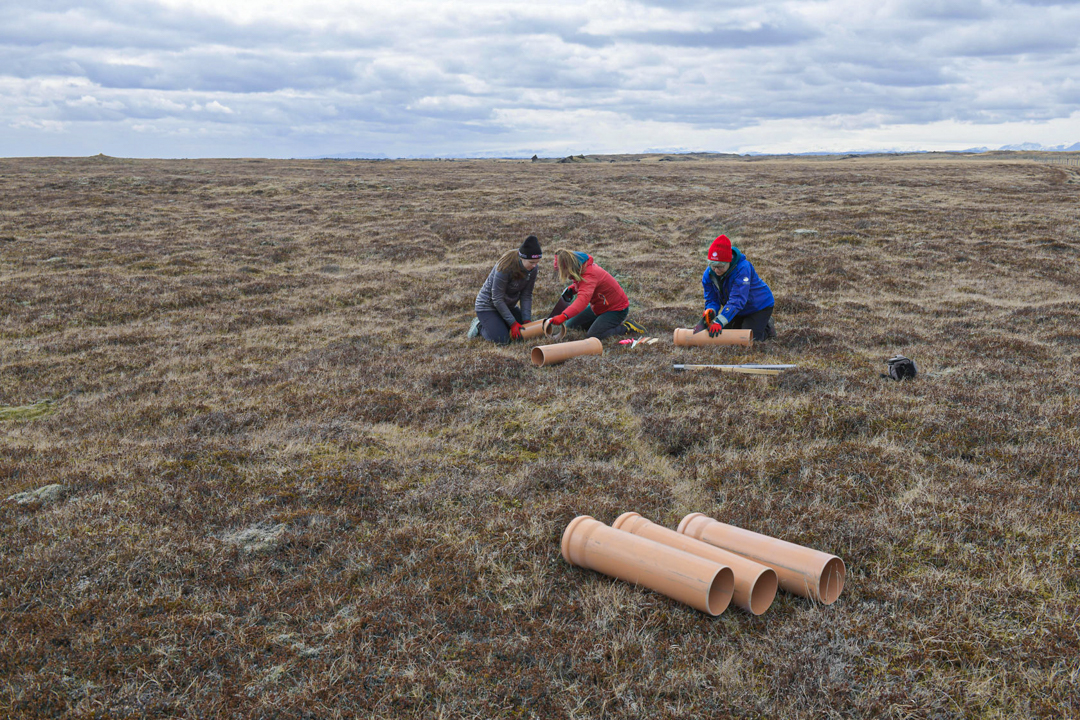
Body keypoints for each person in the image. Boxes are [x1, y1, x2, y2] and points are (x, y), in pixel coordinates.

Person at [546, 249, 645, 339]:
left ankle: (627, 327)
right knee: (571, 325)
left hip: (616, 309)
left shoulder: (589, 274)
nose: (561, 274)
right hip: (599, 307)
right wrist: (572, 289)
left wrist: (563, 316)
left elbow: (582, 301)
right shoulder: (580, 268)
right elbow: (583, 285)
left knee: (594, 335)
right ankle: (601, 323)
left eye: (561, 271)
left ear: (568, 268)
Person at [693, 234, 775, 341]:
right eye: (713, 265)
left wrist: (719, 321)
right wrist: (711, 311)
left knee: (749, 339)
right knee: (724, 335)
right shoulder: (709, 275)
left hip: (758, 307)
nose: (716, 270)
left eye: (720, 266)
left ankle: (767, 326)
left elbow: (737, 299)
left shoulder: (742, 269)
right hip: (737, 309)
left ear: (728, 261)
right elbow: (711, 299)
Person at [469, 235, 543, 343]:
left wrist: (527, 320)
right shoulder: (505, 268)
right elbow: (497, 299)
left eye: (537, 262)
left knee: (523, 334)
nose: (534, 266)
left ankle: (499, 322)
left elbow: (526, 295)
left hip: (508, 306)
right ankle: (480, 326)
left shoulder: (533, 269)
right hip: (488, 306)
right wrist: (512, 323)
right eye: (531, 262)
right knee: (502, 340)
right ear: (522, 258)